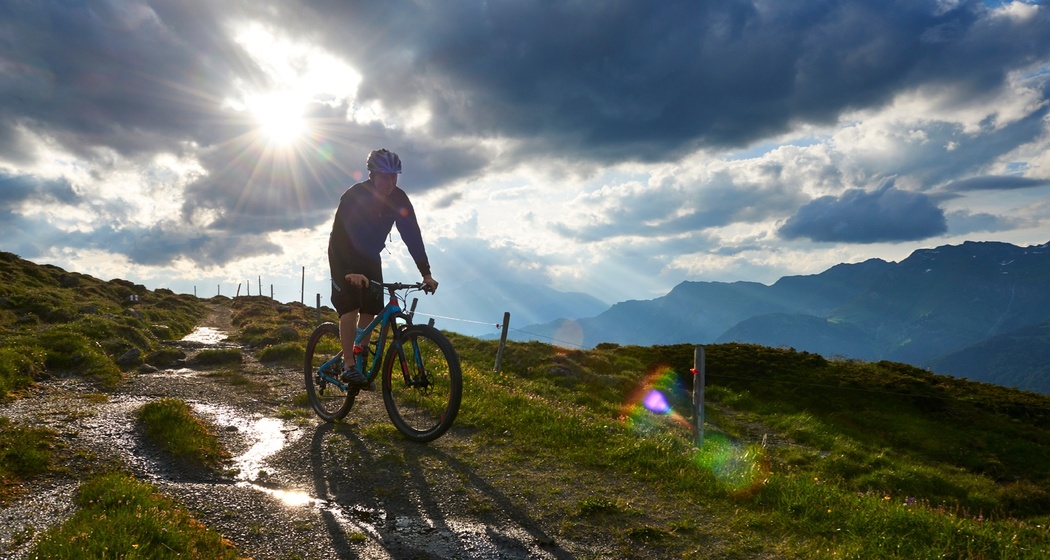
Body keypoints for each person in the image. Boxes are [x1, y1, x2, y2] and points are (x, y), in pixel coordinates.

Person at [328, 148, 438, 386]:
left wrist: (426, 273)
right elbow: (340, 234)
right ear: (372, 175)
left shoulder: (399, 198)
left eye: (394, 176)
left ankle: (360, 356)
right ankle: (348, 365)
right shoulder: (354, 196)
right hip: (342, 254)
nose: (390, 182)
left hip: (369, 257)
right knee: (350, 307)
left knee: (370, 307)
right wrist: (349, 270)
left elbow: (412, 236)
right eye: (385, 176)